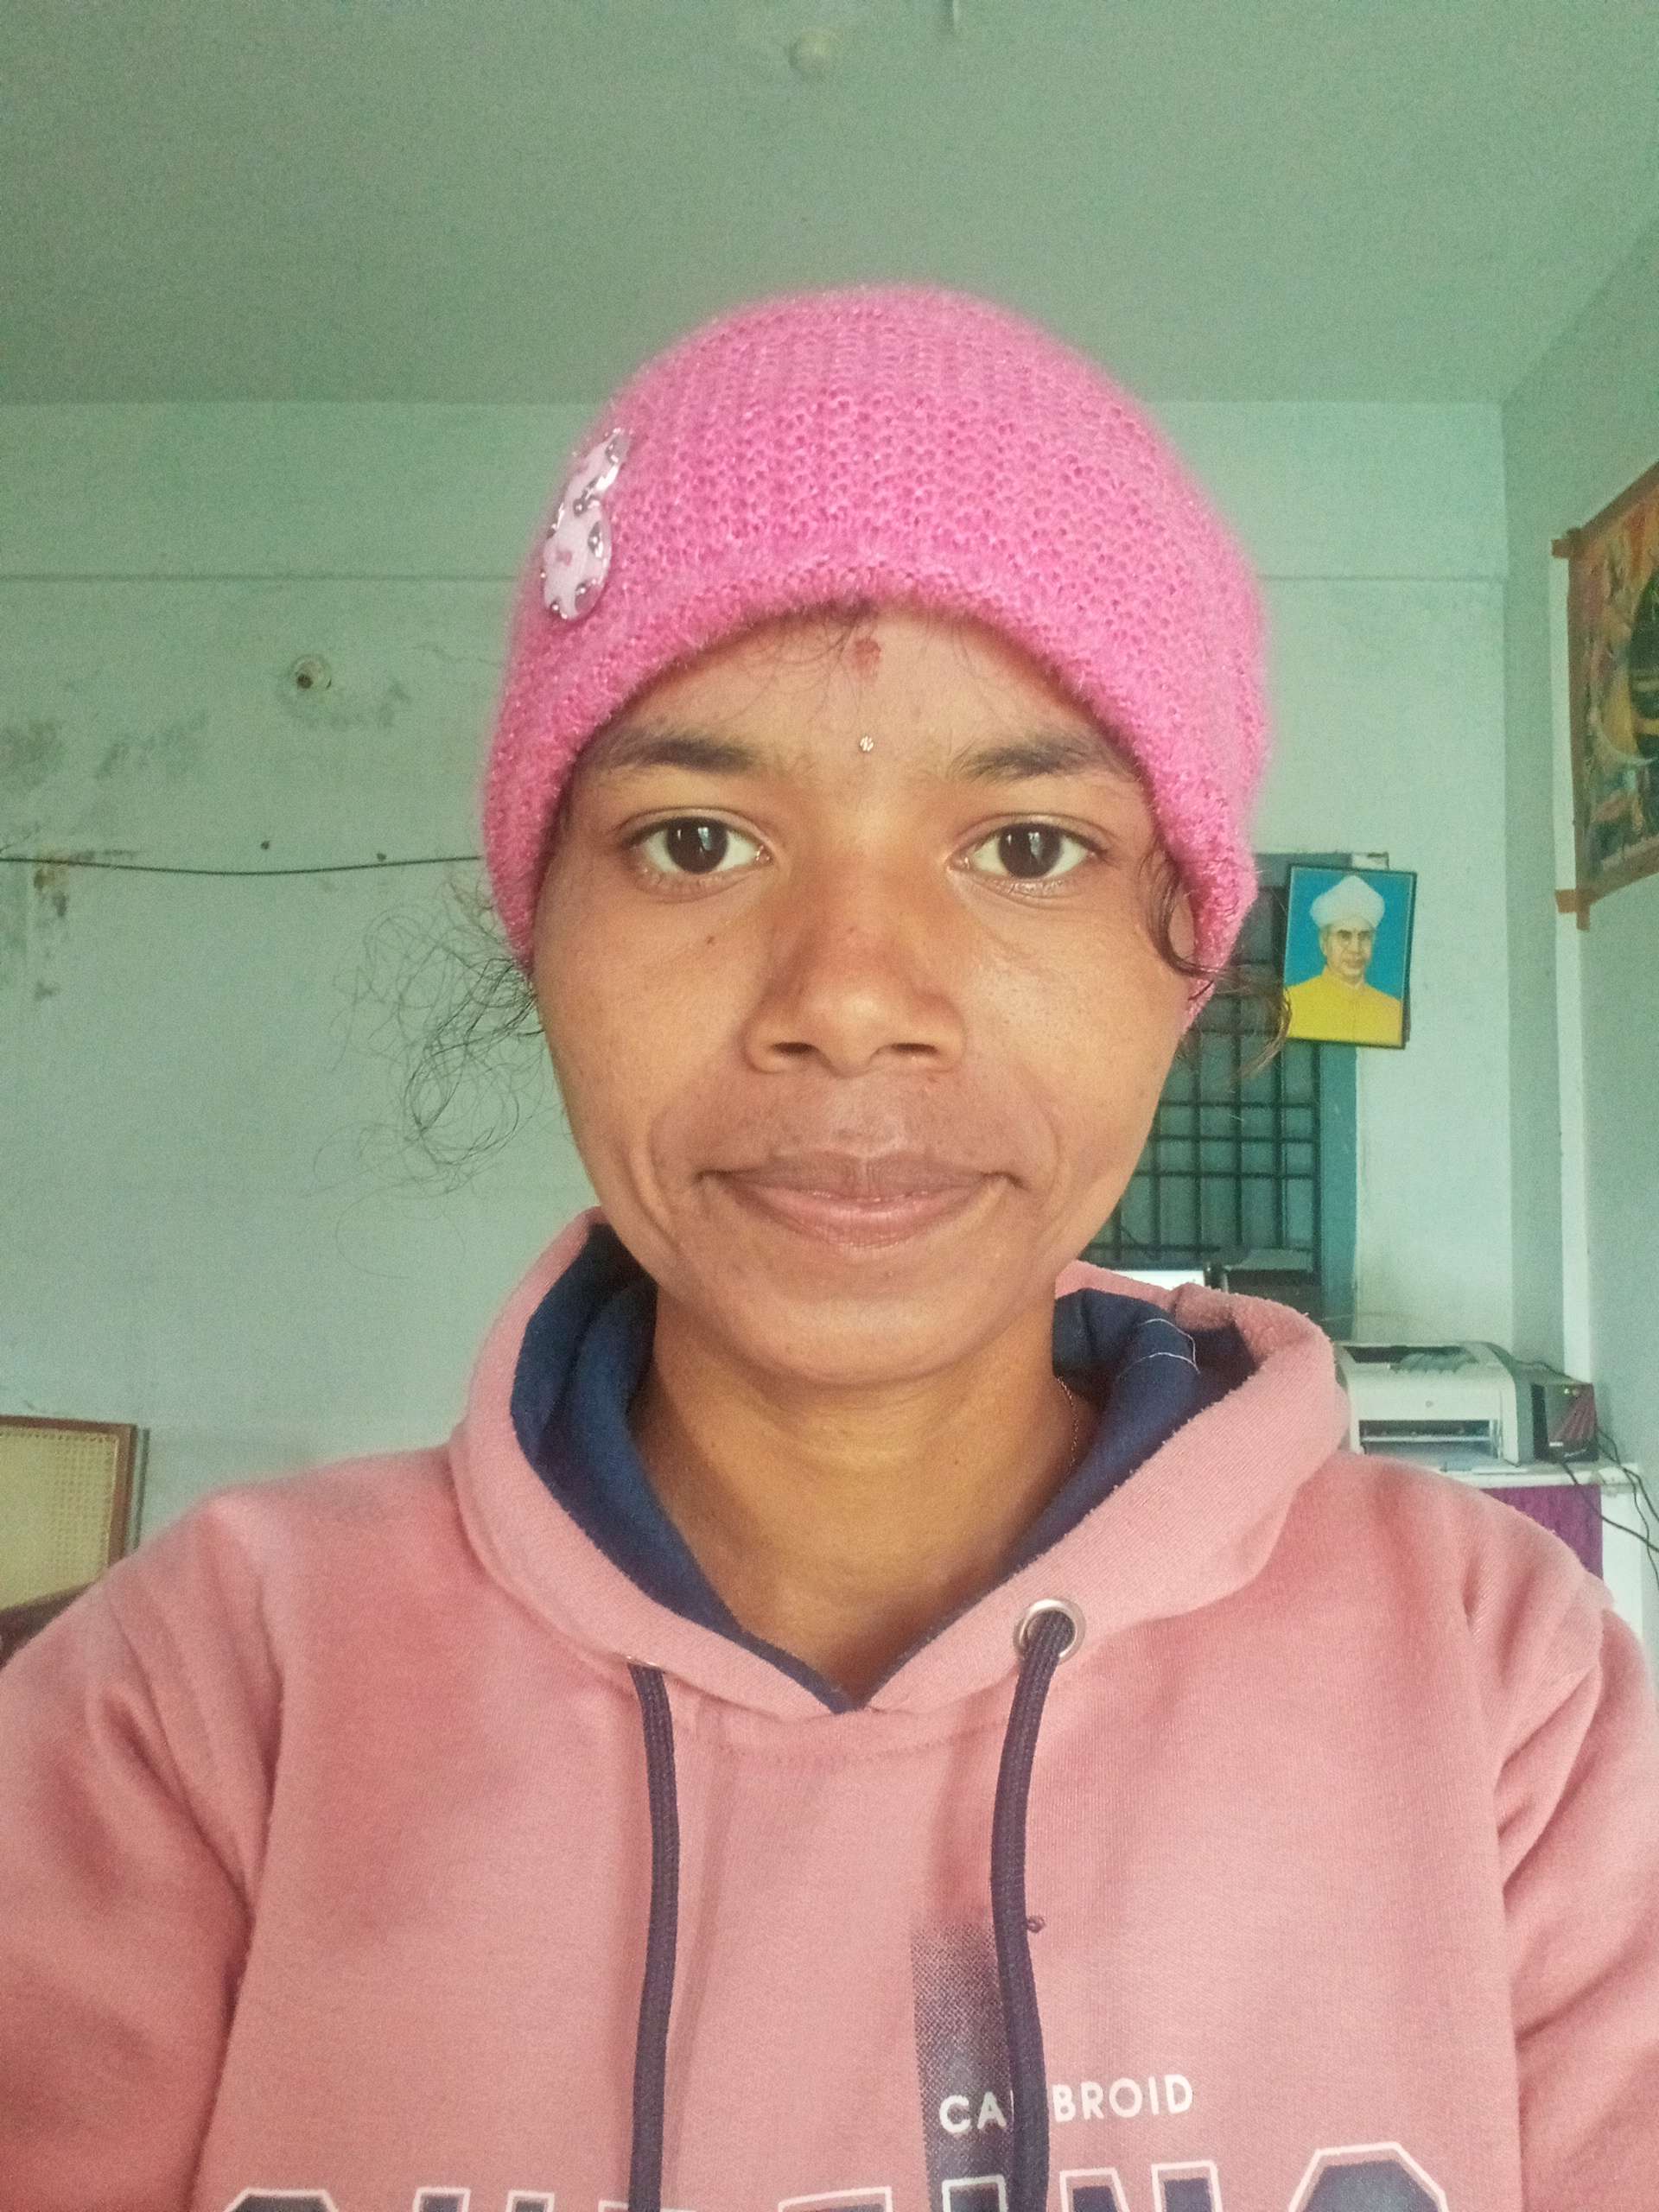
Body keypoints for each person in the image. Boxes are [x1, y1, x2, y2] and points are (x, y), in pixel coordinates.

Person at [3, 286, 1656, 2212]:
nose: (851, 999)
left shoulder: (1505, 1694)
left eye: (1025, 845)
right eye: (697, 840)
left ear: (1188, 956)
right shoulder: (204, 1699)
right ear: (541, 930)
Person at [1282, 872, 1405, 1046]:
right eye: (1344, 935)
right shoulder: (1292, 1003)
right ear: (1324, 943)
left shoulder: (1393, 1011)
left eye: (1364, 936)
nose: (1355, 948)